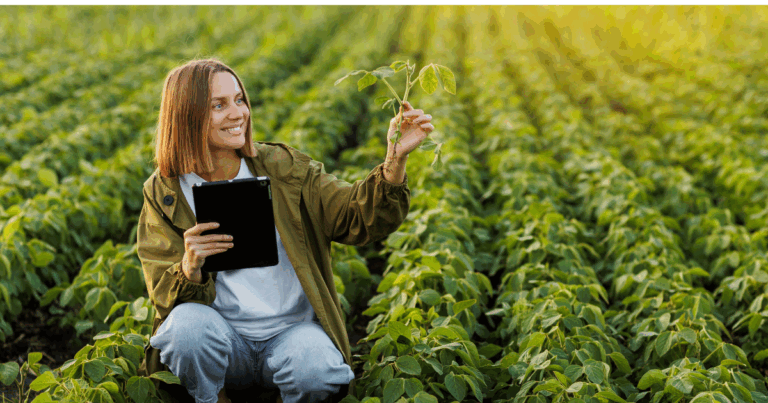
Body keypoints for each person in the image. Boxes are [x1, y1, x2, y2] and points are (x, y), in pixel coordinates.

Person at [136, 58, 434, 403]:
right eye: (219, 105)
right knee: (186, 330)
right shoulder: (166, 191)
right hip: (224, 342)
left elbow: (354, 216)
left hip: (292, 335)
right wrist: (189, 269)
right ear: (186, 115)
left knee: (317, 372)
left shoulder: (281, 167)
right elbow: (162, 296)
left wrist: (394, 160)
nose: (238, 114)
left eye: (239, 100)